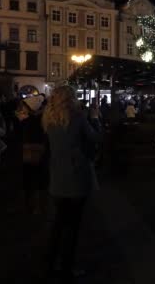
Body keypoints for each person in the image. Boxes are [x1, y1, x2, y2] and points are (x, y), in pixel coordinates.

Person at [42, 86, 101, 281]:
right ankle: (67, 267)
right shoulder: (77, 117)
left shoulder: (48, 118)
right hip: (76, 176)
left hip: (57, 177)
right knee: (72, 227)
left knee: (58, 223)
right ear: (71, 98)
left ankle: (49, 264)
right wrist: (94, 118)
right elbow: (94, 138)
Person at [16, 95, 48, 214]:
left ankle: (32, 205)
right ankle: (36, 205)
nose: (22, 109)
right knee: (36, 178)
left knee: (31, 178)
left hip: (32, 151)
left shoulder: (30, 120)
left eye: (25, 107)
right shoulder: (42, 119)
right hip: (37, 150)